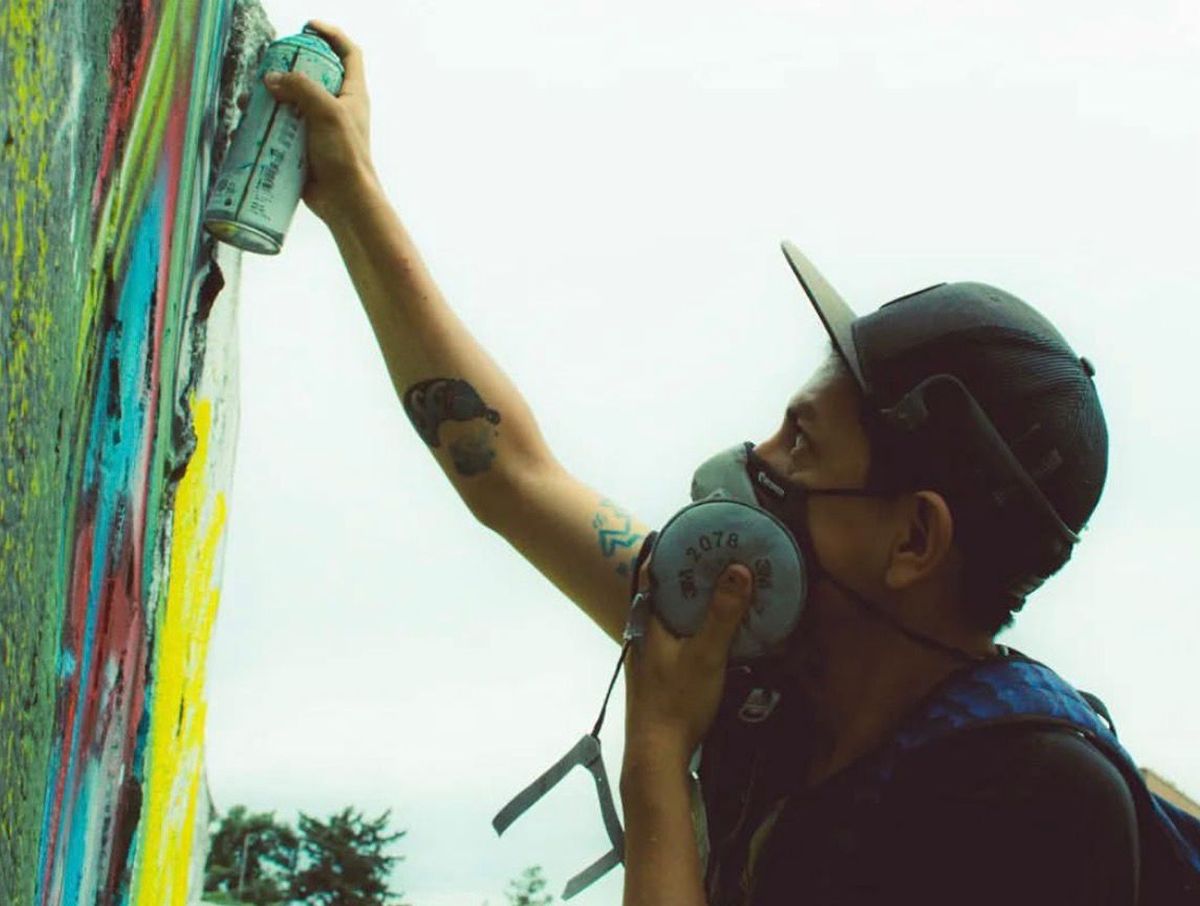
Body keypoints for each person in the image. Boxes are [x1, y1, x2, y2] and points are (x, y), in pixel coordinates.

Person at [265, 24, 1138, 905]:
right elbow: (509, 473)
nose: (756, 462)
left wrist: (656, 751)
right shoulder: (766, 662)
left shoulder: (1033, 804)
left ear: (913, 539)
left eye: (803, 443)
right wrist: (350, 192)